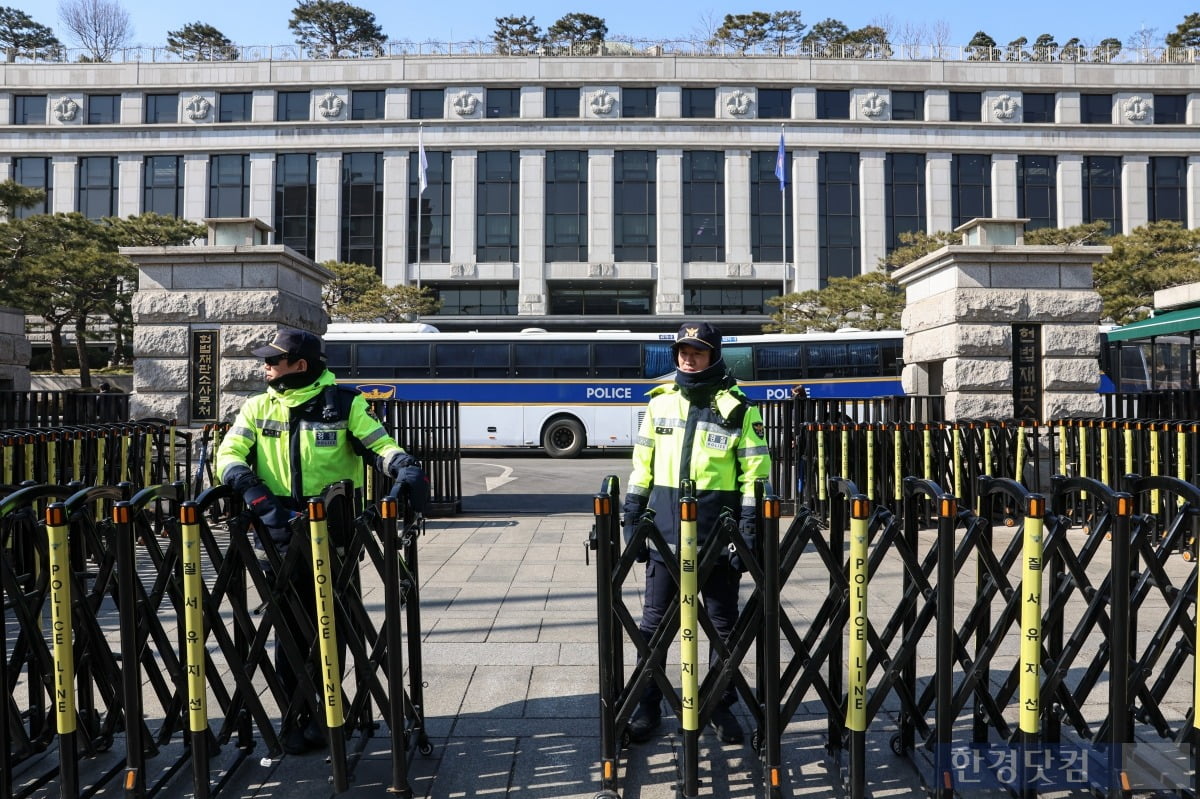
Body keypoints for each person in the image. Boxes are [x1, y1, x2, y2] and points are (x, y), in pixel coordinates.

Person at [215, 328, 429, 755]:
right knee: (289, 626)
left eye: (273, 361)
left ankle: (330, 713)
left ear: (300, 365)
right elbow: (229, 455)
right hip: (278, 529)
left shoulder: (346, 405)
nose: (266, 367)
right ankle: (295, 715)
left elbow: (379, 445)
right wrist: (256, 496)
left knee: (336, 623)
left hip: (336, 534)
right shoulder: (257, 407)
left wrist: (404, 465)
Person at [622, 321, 771, 745]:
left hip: (719, 538)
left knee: (724, 626)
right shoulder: (659, 404)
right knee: (654, 625)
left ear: (714, 356)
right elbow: (642, 465)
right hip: (666, 536)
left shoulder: (740, 407)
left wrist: (747, 529)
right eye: (683, 351)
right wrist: (632, 513)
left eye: (698, 352)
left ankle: (719, 704)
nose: (688, 358)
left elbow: (755, 474)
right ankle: (648, 704)